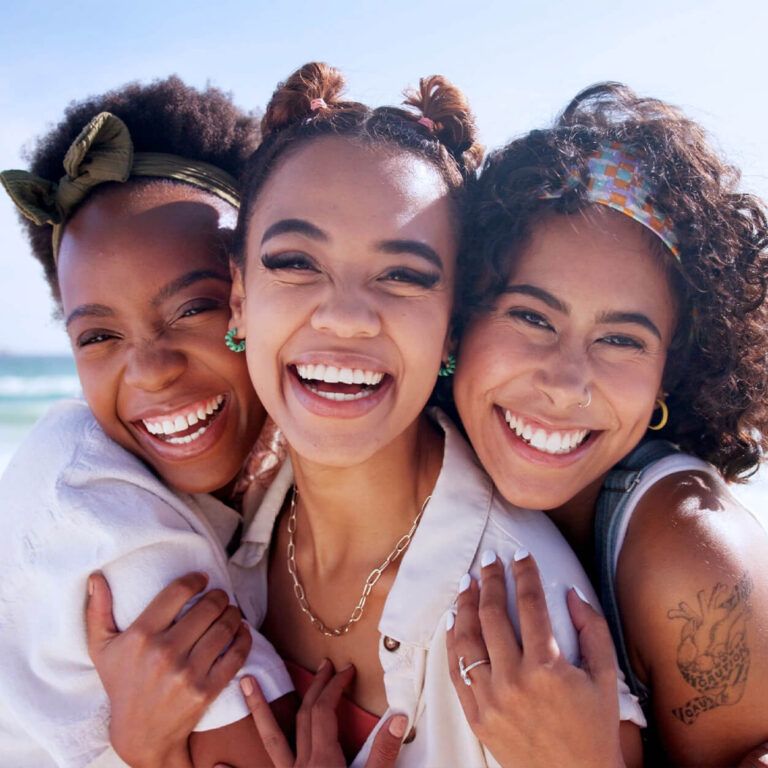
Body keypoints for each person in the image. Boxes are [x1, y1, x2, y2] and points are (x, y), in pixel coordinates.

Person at [222, 62, 644, 766]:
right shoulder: (217, 524)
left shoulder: (525, 627)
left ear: (454, 325)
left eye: (404, 275)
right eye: (295, 261)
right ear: (239, 296)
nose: (348, 317)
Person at [447, 82, 768, 767]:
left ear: (669, 373)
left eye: (622, 340)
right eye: (531, 317)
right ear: (460, 318)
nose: (565, 384)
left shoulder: (690, 559)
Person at [0, 77, 296, 768]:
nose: (151, 370)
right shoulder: (96, 501)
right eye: (98, 337)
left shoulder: (296, 467)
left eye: (194, 308)